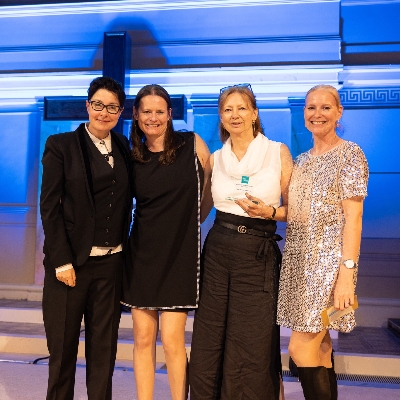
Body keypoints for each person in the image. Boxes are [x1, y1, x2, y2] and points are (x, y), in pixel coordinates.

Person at [189, 83, 293, 399]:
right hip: (218, 251)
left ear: (254, 113)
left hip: (257, 252)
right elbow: (201, 209)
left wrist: (269, 212)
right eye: (228, 109)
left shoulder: (277, 152)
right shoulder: (216, 158)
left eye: (242, 108)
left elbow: (295, 210)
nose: (235, 115)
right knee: (210, 337)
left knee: (253, 340)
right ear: (221, 117)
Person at [40, 76, 132, 400]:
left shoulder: (124, 146)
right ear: (87, 106)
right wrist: (61, 261)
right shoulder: (61, 146)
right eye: (98, 105)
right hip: (70, 267)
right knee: (63, 353)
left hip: (111, 266)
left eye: (112, 107)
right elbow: (49, 207)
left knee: (104, 355)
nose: (104, 112)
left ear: (120, 112)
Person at [277, 84, 369, 399]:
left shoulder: (350, 153)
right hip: (299, 267)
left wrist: (346, 276)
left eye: (326, 107)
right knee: (321, 349)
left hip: (329, 269)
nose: (317, 114)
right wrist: (268, 212)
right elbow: (298, 213)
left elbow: (354, 218)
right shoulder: (302, 160)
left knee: (299, 349)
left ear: (339, 112)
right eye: (311, 107)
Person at [121, 84, 210, 400]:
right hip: (142, 255)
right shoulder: (132, 156)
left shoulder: (192, 143)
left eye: (160, 111)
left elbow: (211, 188)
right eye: (146, 111)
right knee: (143, 338)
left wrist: (193, 222)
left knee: (173, 340)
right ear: (136, 114)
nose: (153, 117)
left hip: (180, 254)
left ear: (170, 114)